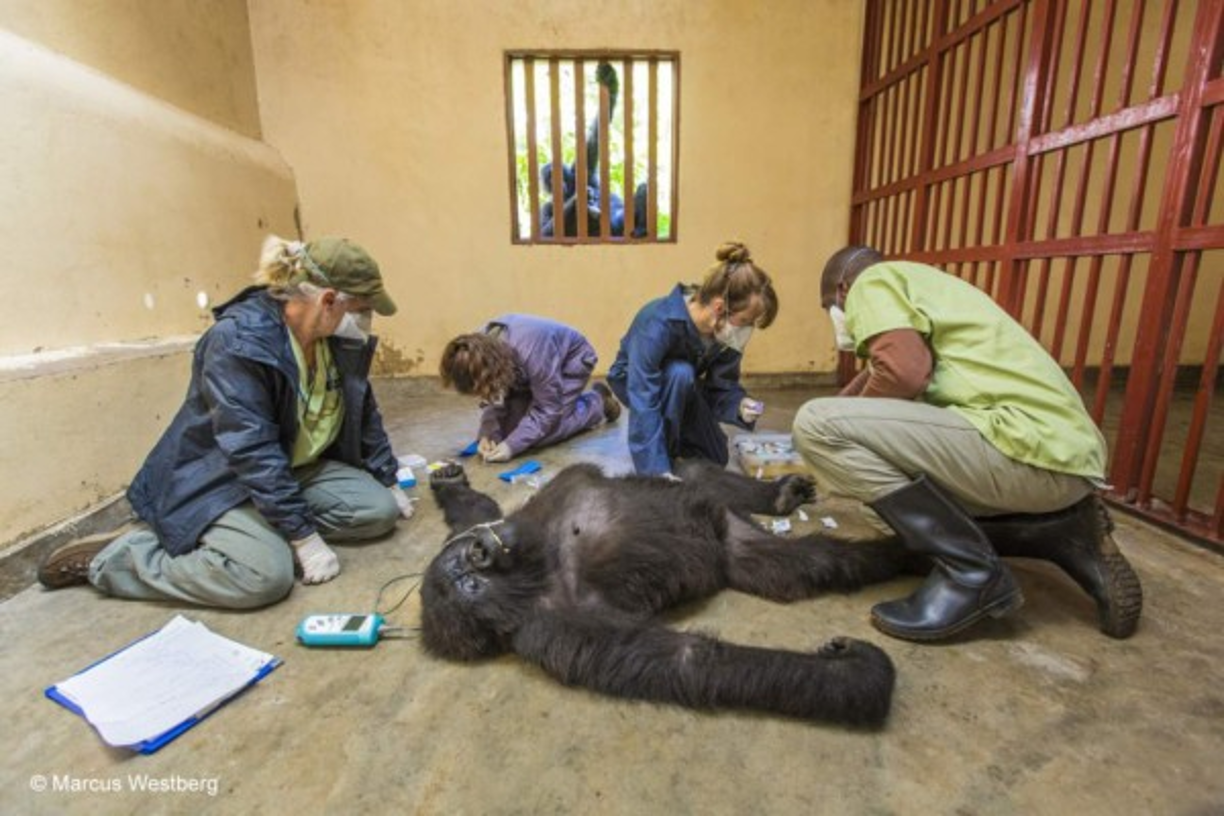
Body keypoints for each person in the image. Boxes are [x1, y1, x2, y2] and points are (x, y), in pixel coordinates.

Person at [37, 235, 415, 609]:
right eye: (362, 308)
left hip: (293, 467)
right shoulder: (238, 341)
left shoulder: (333, 339)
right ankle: (118, 558)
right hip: (221, 481)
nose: (365, 320)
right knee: (264, 578)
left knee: (376, 512)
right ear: (328, 300)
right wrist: (303, 538)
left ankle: (256, 533)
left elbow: (362, 408)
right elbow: (252, 449)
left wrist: (386, 476)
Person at [792, 245, 1143, 642]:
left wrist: (824, 431)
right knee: (884, 514)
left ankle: (972, 574)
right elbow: (879, 380)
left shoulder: (873, 282)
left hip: (1023, 443)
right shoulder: (930, 289)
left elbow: (903, 375)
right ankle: (1056, 532)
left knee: (813, 423)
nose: (838, 320)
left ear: (842, 291)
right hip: (1058, 463)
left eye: (830, 309)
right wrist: (845, 412)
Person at [607, 241, 777, 477]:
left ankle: (674, 443)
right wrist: (656, 472)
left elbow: (721, 386)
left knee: (715, 459)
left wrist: (739, 404)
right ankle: (662, 459)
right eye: (746, 322)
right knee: (680, 372)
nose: (747, 330)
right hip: (635, 382)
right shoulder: (658, 322)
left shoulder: (725, 335)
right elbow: (643, 399)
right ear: (720, 308)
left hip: (682, 383)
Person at [439, 314, 619, 463]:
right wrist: (488, 434)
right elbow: (493, 397)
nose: (480, 396)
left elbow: (548, 410)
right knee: (511, 430)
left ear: (491, 374)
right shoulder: (474, 352)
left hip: (571, 360)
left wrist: (511, 447)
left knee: (545, 433)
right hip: (525, 371)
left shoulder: (533, 354)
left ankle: (598, 403)